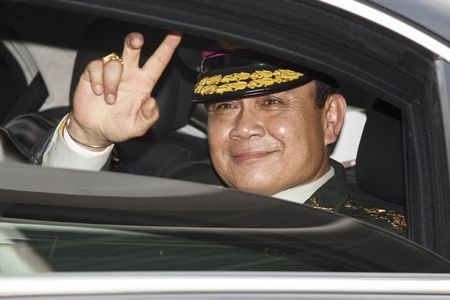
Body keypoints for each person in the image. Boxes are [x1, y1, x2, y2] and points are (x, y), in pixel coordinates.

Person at [33, 32, 407, 235]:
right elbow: (60, 245)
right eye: (225, 107)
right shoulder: (185, 184)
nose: (243, 128)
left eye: (272, 103)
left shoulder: (380, 245)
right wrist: (87, 138)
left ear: (330, 118)